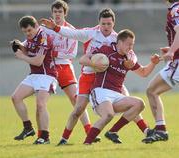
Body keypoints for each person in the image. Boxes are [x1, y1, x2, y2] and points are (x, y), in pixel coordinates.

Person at [40, 8, 150, 145]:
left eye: (109, 24)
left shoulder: (117, 38)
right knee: (78, 110)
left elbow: (131, 52)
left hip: (109, 77)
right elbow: (72, 33)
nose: (106, 27)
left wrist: (131, 61)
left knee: (129, 103)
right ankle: (64, 139)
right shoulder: (91, 33)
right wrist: (56, 28)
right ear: (99, 22)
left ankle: (146, 131)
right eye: (103, 23)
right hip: (88, 75)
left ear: (113, 24)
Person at [83, 29, 161, 144]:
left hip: (117, 95)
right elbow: (83, 59)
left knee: (139, 104)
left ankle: (113, 132)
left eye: (132, 45)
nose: (131, 47)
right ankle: (87, 143)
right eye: (128, 44)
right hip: (100, 91)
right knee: (108, 115)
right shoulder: (106, 50)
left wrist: (153, 63)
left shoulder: (128, 59)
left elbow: (144, 73)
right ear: (119, 42)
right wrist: (95, 64)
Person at [40, 0, 92, 139]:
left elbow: (72, 54)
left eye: (60, 12)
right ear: (52, 13)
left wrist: (52, 53)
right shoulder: (44, 28)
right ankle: (42, 135)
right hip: (48, 66)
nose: (57, 14)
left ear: (65, 13)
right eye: (55, 12)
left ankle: (89, 130)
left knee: (76, 100)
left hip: (64, 67)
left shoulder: (70, 30)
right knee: (41, 101)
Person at [11, 16, 58, 144]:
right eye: (25, 32)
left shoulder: (43, 37)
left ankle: (45, 137)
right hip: (34, 75)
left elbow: (38, 61)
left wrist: (21, 56)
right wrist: (19, 45)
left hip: (47, 75)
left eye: (30, 30)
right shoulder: (30, 37)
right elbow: (27, 50)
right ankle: (28, 128)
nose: (28, 34)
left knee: (41, 105)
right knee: (15, 97)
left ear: (36, 26)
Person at [142, 0, 179, 144]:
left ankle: (161, 130)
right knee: (152, 91)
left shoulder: (176, 9)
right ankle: (160, 129)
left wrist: (172, 50)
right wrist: (170, 48)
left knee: (152, 91)